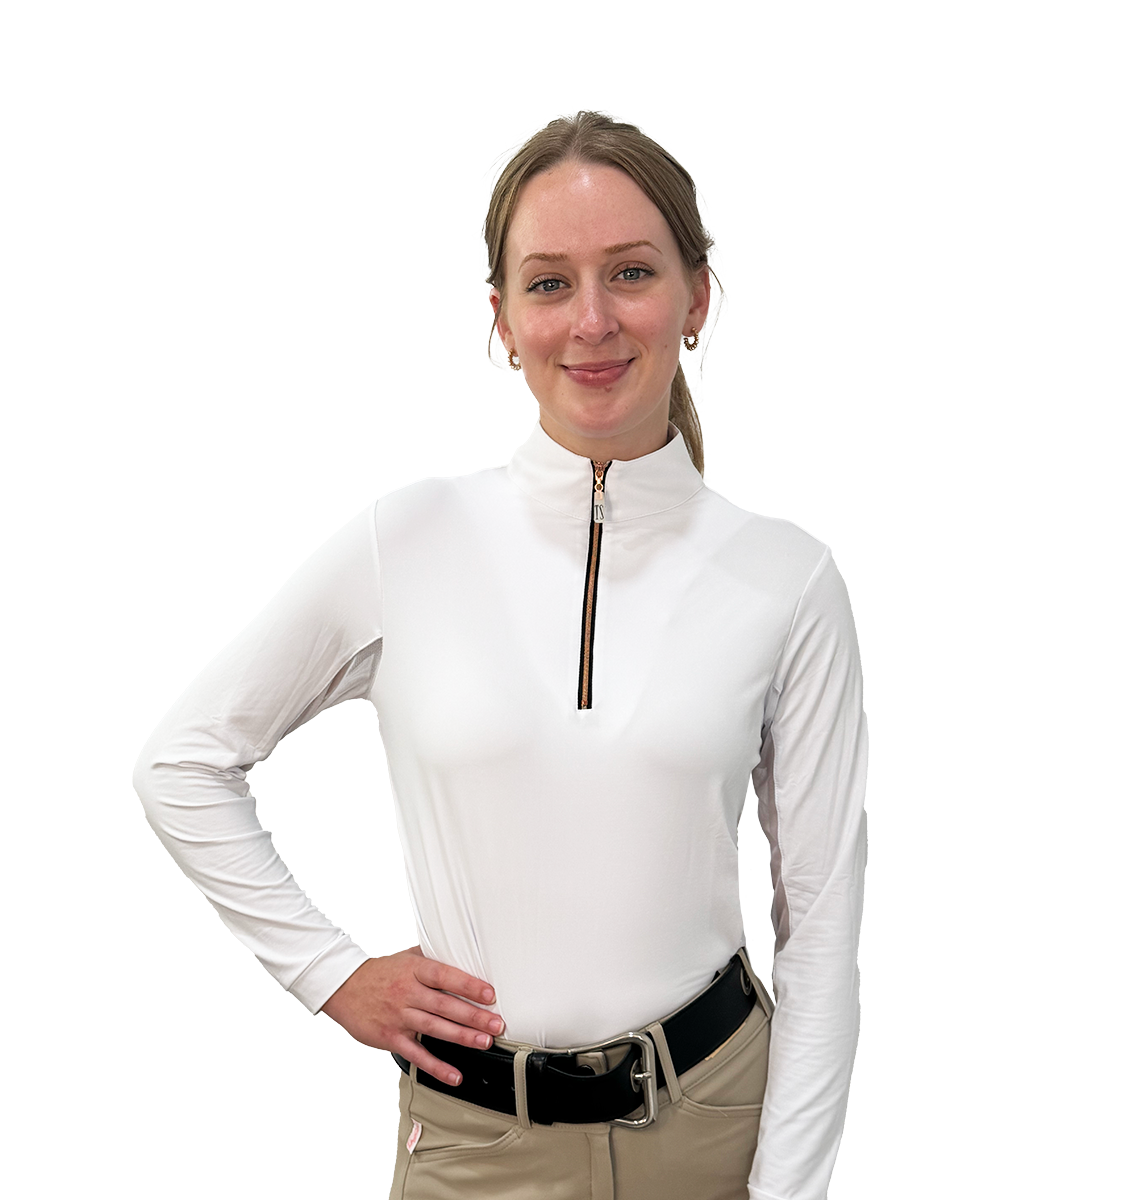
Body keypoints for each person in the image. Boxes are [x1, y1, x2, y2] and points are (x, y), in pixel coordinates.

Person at [135, 111, 868, 1200]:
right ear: (502, 319)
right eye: (549, 283)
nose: (592, 321)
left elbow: (821, 930)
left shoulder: (787, 580)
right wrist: (331, 974)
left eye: (631, 272)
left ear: (697, 298)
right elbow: (182, 762)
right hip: (475, 1152)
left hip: (717, 1126)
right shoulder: (407, 541)